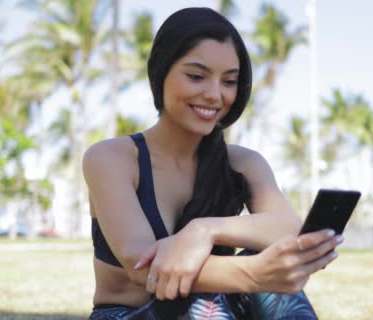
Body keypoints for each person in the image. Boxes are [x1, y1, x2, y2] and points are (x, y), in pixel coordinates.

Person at [83, 7, 343, 320]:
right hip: (131, 314)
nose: (214, 95)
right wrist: (251, 275)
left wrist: (205, 230)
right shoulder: (111, 158)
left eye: (229, 81)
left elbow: (291, 229)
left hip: (216, 310)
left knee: (251, 266)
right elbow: (144, 267)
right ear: (161, 72)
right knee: (204, 300)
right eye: (196, 76)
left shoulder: (243, 163)